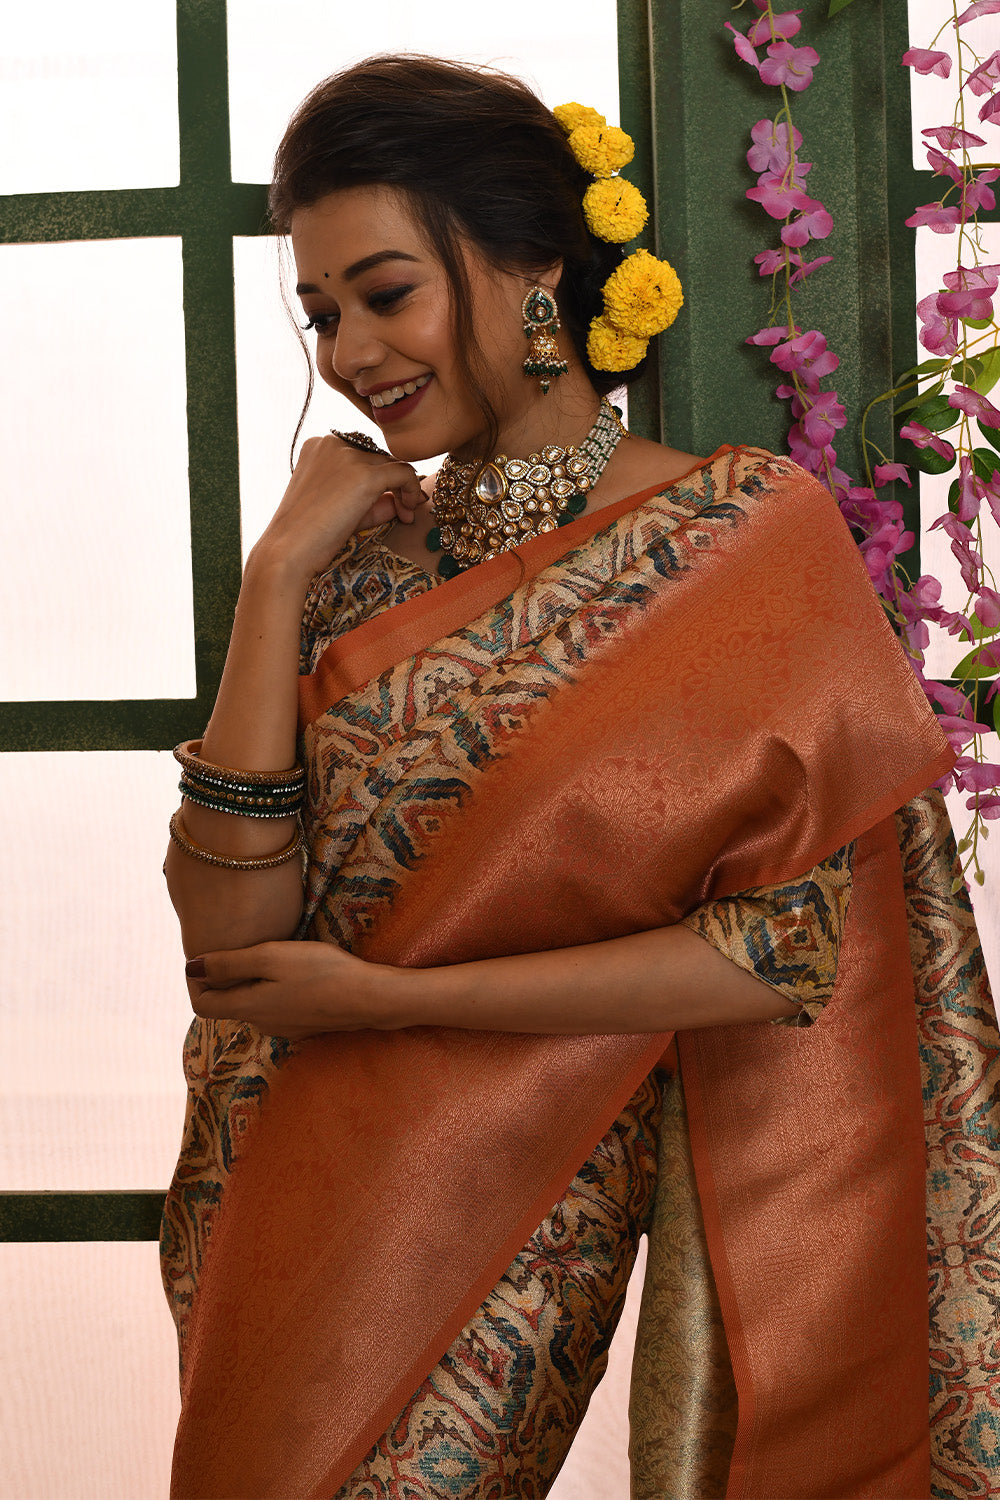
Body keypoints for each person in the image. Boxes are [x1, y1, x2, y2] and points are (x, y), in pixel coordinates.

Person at [160, 55, 998, 1500]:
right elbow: (231, 950)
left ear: (529, 268)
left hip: (514, 1194)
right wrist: (278, 571)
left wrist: (392, 1003)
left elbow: (781, 957)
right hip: (275, 1180)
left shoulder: (735, 537)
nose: (350, 351)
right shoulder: (352, 557)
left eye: (384, 292)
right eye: (319, 314)